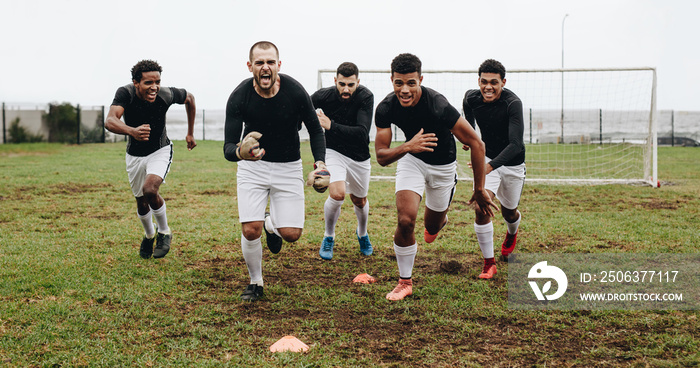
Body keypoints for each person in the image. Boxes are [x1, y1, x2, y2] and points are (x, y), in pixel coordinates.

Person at [374, 53, 497, 301]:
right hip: (412, 161)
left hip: (443, 168)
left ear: (420, 79)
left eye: (411, 83)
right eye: (399, 83)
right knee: (406, 221)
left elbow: (476, 143)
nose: (405, 90)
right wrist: (408, 147)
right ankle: (405, 281)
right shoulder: (386, 108)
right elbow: (381, 156)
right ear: (392, 81)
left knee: (431, 227)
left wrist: (479, 188)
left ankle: (440, 221)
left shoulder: (438, 105)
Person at [224, 41, 327, 302]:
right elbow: (228, 147)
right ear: (250, 67)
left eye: (270, 62)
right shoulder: (239, 96)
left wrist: (321, 164)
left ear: (279, 65)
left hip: (289, 167)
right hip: (252, 169)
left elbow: (315, 130)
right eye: (259, 63)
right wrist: (241, 153)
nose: (265, 67)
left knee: (292, 235)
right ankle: (255, 282)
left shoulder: (294, 91)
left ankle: (272, 225)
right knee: (250, 230)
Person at [105, 59, 196, 260]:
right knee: (141, 202)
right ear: (136, 82)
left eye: (157, 82)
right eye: (148, 83)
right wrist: (132, 131)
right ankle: (149, 235)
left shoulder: (166, 94)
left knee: (150, 190)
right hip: (134, 155)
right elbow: (110, 121)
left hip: (160, 150)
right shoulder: (126, 93)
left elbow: (190, 98)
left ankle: (164, 232)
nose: (154, 87)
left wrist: (190, 132)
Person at [463, 59, 526, 279]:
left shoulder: (512, 103)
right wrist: (470, 135)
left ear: (503, 82)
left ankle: (512, 232)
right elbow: (467, 110)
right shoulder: (472, 97)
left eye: (494, 82)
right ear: (478, 81)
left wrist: (490, 166)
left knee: (509, 212)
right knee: (481, 206)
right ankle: (489, 263)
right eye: (484, 81)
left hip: (512, 163)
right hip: (488, 158)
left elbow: (516, 144)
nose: (488, 87)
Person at [310, 62, 374, 260]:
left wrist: (331, 125)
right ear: (335, 81)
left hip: (359, 156)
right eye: (342, 84)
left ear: (358, 83)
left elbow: (362, 133)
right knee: (337, 195)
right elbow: (302, 109)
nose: (346, 89)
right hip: (334, 151)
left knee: (359, 200)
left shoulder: (366, 97)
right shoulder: (323, 96)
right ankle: (329, 236)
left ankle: (362, 233)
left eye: (351, 85)